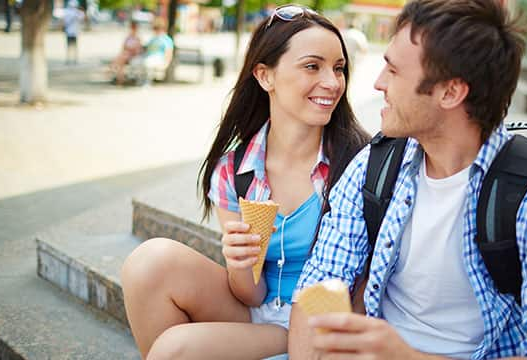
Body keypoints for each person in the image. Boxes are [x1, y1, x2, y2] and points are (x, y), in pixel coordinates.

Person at [289, 0, 527, 359]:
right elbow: (314, 290)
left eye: (393, 72)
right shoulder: (375, 167)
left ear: (451, 92)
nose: (378, 84)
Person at [121, 5, 369, 359]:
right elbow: (250, 294)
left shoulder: (359, 163)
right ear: (265, 76)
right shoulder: (235, 170)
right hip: (259, 313)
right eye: (313, 66)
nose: (332, 82)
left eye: (339, 68)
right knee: (148, 262)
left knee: (174, 350)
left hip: (322, 324)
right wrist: (240, 263)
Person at [131, 17, 173, 84]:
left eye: (156, 28)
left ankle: (146, 81)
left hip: (159, 58)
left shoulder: (166, 39)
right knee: (135, 61)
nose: (155, 31)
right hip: (148, 56)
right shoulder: (153, 39)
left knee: (147, 63)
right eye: (154, 29)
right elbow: (146, 48)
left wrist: (166, 61)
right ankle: (139, 79)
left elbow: (169, 52)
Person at [110, 20, 142, 85]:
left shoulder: (137, 38)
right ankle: (120, 78)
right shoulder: (128, 37)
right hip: (125, 54)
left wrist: (130, 50)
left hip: (131, 55)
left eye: (134, 27)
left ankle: (119, 78)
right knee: (120, 61)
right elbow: (123, 46)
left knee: (119, 62)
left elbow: (138, 49)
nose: (132, 29)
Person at [62, 0, 84, 65]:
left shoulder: (66, 12)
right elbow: (83, 17)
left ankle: (68, 59)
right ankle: (75, 59)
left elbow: (63, 21)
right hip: (75, 32)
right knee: (75, 47)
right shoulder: (78, 12)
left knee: (68, 47)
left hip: (68, 31)